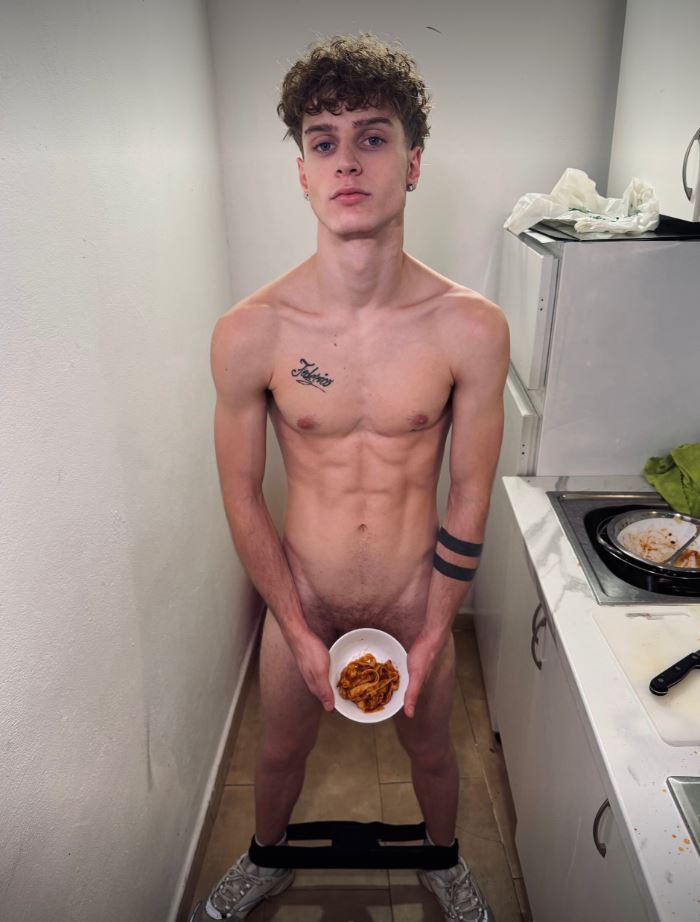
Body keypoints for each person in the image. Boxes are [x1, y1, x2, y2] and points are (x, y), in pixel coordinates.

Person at [192, 32, 509, 922]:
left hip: (416, 597)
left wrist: (435, 629)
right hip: (305, 594)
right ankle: (267, 859)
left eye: (373, 136)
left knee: (434, 754)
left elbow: (469, 491)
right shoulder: (251, 332)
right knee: (279, 754)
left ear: (413, 162)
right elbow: (241, 494)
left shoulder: (471, 329)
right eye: (323, 141)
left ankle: (444, 862)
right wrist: (294, 627)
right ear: (301, 171)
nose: (347, 161)